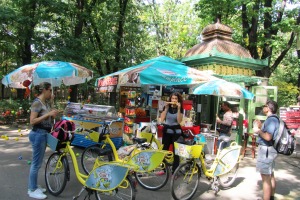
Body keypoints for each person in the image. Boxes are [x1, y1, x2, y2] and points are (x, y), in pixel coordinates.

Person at [28, 82, 59, 199]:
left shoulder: (45, 103)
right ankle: (32, 189)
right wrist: (48, 115)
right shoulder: (37, 103)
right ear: (44, 90)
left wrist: (52, 114)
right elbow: (32, 121)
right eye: (50, 90)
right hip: (38, 134)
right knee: (36, 164)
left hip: (44, 133)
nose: (51, 93)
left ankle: (34, 185)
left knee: (38, 162)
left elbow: (47, 117)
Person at [253, 100, 279, 200]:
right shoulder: (274, 119)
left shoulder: (271, 120)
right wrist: (261, 127)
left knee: (265, 178)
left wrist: (258, 130)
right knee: (270, 174)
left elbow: (268, 137)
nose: (263, 107)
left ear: (268, 108)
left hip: (266, 151)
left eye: (264, 106)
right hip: (270, 150)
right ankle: (271, 197)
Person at [160, 92, 183, 173]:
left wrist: (179, 109)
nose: (174, 100)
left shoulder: (180, 108)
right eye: (172, 98)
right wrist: (166, 108)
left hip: (176, 132)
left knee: (176, 152)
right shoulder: (167, 107)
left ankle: (175, 170)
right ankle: (163, 169)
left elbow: (179, 121)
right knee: (164, 150)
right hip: (167, 131)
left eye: (175, 99)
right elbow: (162, 119)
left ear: (178, 100)